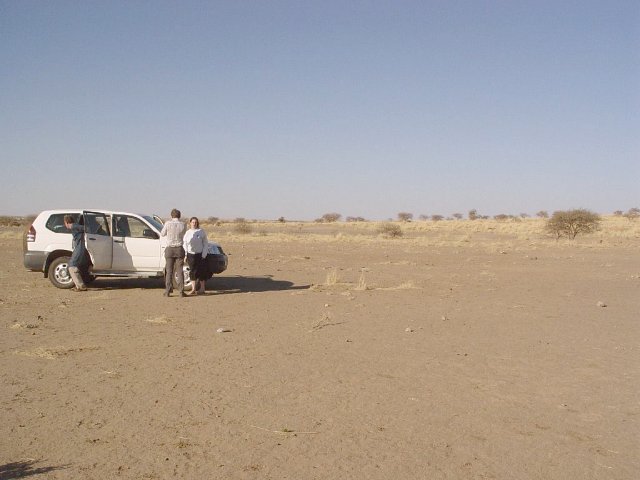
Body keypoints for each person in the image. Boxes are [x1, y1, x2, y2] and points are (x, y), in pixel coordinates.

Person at [160, 208, 186, 297]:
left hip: (170, 249)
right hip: (179, 248)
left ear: (171, 215)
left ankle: (167, 291)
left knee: (169, 271)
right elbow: (183, 234)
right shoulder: (183, 224)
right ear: (179, 215)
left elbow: (162, 233)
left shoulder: (167, 223)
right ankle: (181, 291)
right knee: (179, 271)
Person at [183, 217, 209, 295]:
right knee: (192, 272)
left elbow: (205, 243)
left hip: (200, 254)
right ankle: (193, 289)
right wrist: (185, 254)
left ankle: (202, 289)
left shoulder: (201, 232)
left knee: (201, 271)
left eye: (195, 222)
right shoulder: (188, 233)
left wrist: (204, 254)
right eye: (192, 222)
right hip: (191, 254)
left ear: (197, 223)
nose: (194, 224)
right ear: (190, 223)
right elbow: (185, 244)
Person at [63, 214, 89, 292]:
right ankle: (79, 285)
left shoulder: (74, 226)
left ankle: (80, 286)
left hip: (80, 248)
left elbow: (85, 228)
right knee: (74, 265)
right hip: (79, 248)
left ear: (66, 222)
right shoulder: (74, 227)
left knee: (72, 265)